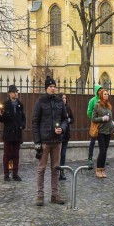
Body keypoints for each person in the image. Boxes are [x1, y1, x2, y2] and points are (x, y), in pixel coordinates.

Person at [31, 77, 68, 206]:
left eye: (54, 86)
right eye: (51, 86)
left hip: (57, 141)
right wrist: (37, 141)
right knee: (41, 169)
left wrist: (62, 129)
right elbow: (35, 123)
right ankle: (40, 195)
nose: (53, 88)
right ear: (46, 88)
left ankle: (55, 194)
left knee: (55, 169)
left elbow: (65, 119)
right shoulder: (40, 102)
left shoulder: (59, 102)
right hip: (44, 141)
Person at [0, 84, 26, 181]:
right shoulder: (5, 104)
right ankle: (6, 174)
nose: (16, 93)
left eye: (16, 92)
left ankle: (15, 173)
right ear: (9, 93)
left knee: (16, 154)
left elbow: (23, 117)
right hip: (8, 133)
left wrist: (22, 125)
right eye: (14, 92)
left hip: (17, 133)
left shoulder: (20, 104)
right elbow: (1, 120)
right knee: (7, 154)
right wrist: (1, 114)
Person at [91, 87, 114, 179]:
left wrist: (112, 122)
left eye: (107, 94)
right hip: (100, 131)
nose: (106, 95)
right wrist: (102, 119)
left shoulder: (109, 106)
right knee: (102, 151)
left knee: (105, 151)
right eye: (104, 94)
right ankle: (98, 169)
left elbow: (110, 116)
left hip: (108, 131)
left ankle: (103, 169)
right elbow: (93, 118)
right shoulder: (97, 105)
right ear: (101, 95)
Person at [57, 92, 74, 181]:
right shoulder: (57, 108)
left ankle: (61, 172)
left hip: (66, 134)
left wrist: (68, 120)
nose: (64, 99)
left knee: (63, 154)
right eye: (63, 98)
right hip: (58, 135)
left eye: (65, 98)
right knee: (57, 155)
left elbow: (72, 119)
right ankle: (56, 171)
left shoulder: (68, 108)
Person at [86, 83, 102, 166]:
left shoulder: (104, 99)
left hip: (103, 124)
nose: (100, 92)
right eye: (99, 90)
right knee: (92, 141)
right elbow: (89, 111)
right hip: (95, 124)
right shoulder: (92, 100)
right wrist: (93, 119)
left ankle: (102, 157)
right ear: (96, 91)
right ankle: (90, 158)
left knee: (102, 142)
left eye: (101, 90)